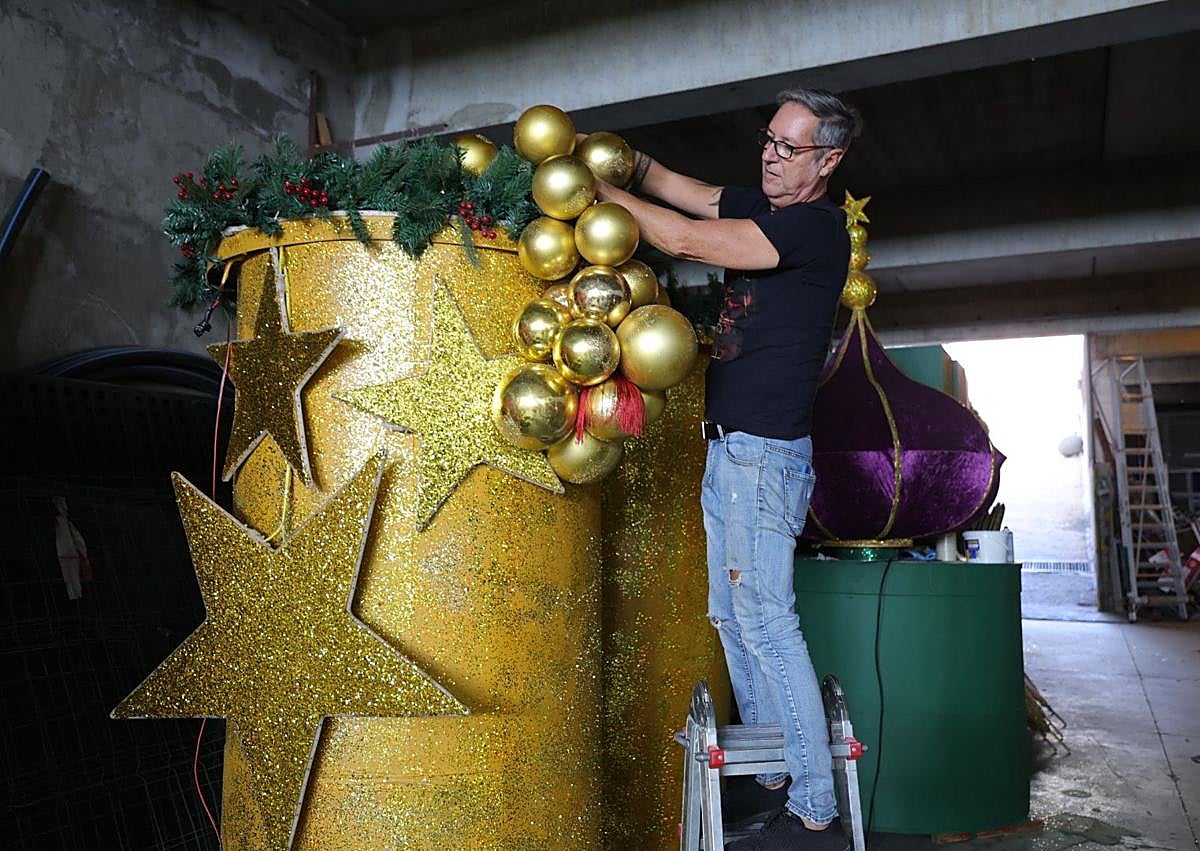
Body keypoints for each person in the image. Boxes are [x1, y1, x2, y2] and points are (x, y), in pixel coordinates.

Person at [591, 87, 862, 850]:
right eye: (767, 139)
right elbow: (689, 194)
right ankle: (777, 768)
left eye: (788, 147)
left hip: (764, 457)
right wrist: (628, 162)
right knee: (729, 615)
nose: (769, 156)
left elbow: (686, 238)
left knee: (770, 624)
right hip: (730, 446)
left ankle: (813, 803)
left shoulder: (814, 229)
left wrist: (598, 191)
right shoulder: (771, 203)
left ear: (828, 160)